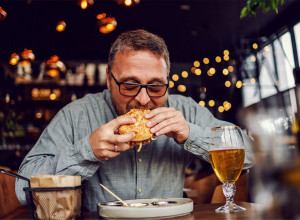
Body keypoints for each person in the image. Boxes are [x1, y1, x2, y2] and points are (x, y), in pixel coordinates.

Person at [15, 29, 255, 211]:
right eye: (129, 85)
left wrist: (191, 133)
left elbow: (252, 155)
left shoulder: (184, 109)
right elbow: (22, 189)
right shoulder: (77, 115)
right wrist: (86, 151)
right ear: (110, 79)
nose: (143, 99)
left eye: (156, 86)